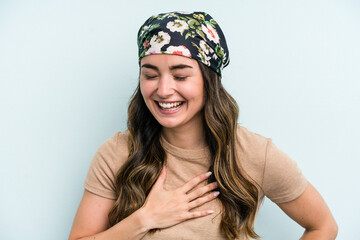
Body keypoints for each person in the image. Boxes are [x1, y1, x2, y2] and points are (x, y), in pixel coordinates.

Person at [69, 11, 338, 240]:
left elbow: (324, 226)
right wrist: (144, 219)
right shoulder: (117, 152)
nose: (163, 90)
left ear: (209, 80)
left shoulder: (256, 153)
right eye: (150, 74)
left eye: (180, 75)